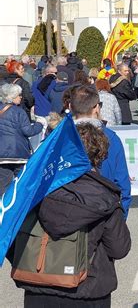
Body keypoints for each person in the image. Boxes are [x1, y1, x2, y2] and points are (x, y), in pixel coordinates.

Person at [16, 123, 131, 307]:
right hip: (88, 290)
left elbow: (15, 237)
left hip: (39, 285)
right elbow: (120, 248)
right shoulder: (105, 197)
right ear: (100, 156)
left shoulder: (37, 191)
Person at [70, 85, 132, 218]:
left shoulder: (61, 138)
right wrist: (120, 219)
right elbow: (122, 184)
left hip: (70, 213)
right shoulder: (111, 138)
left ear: (70, 107)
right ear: (97, 108)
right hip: (104, 211)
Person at [0, 83, 43, 175]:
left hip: (1, 154)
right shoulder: (19, 111)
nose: (21, 97)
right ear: (13, 96)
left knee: (4, 184)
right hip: (18, 153)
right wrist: (39, 124)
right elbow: (28, 131)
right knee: (20, 183)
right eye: (19, 95)